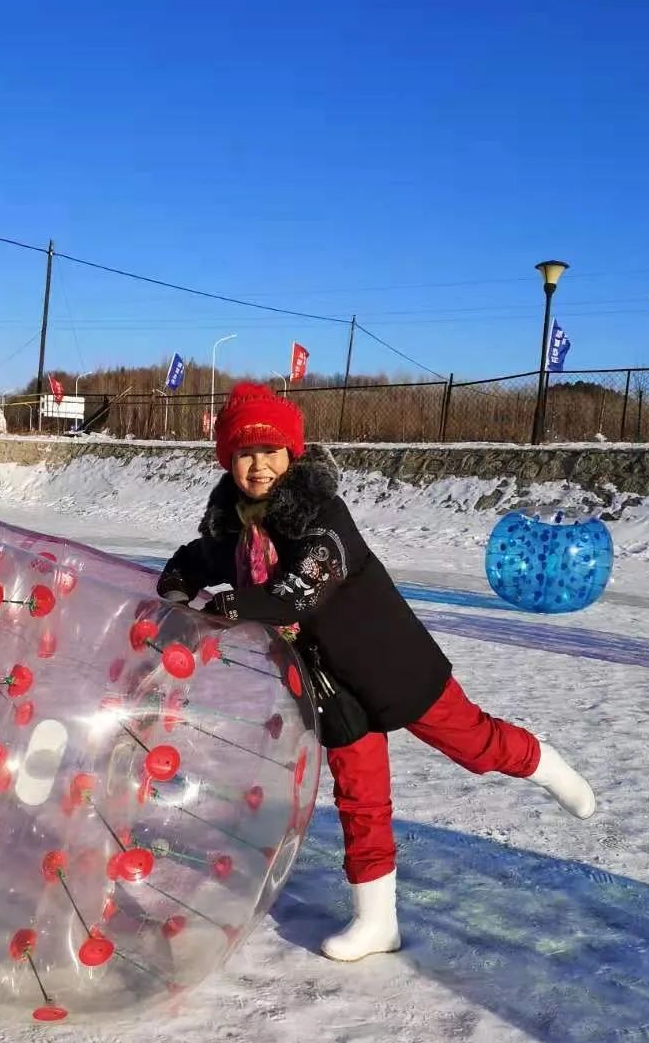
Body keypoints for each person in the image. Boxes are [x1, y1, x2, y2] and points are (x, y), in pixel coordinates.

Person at [156, 382, 596, 963]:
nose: (257, 465)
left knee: (475, 745)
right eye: (243, 453)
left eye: (270, 451)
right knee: (360, 799)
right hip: (329, 683)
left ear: (293, 454)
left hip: (388, 663)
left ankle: (544, 760)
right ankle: (376, 920)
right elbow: (193, 560)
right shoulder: (236, 531)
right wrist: (176, 593)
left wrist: (228, 607)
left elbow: (302, 590)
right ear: (227, 460)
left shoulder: (323, 516)